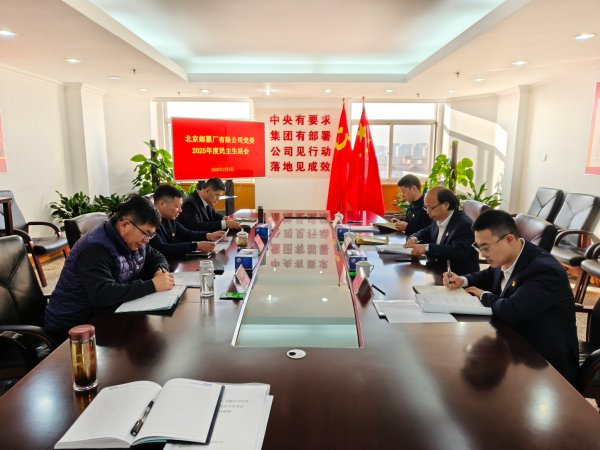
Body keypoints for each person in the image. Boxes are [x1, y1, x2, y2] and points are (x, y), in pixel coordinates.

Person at [443, 209, 579, 386]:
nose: (482, 254)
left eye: (486, 248)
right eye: (479, 247)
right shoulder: (509, 255)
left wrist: (484, 295)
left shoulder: (544, 270)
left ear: (508, 239)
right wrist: (463, 280)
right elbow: (490, 275)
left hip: (544, 363)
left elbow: (511, 310)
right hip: (513, 343)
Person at [44, 196, 174, 340]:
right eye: (146, 233)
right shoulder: (94, 249)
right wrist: (152, 285)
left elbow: (156, 256)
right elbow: (103, 294)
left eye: (151, 234)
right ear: (125, 225)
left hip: (107, 315)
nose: (147, 240)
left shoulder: (132, 240)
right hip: (75, 330)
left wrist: (159, 271)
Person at [404, 186, 479, 275]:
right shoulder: (439, 217)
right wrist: (415, 237)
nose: (428, 212)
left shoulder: (464, 224)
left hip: (457, 276)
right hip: (437, 270)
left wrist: (427, 248)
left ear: (446, 205)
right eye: (426, 207)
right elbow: (428, 231)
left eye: (431, 208)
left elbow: (457, 251)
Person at [150, 184, 226, 256]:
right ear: (162, 204)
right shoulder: (150, 221)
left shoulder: (170, 218)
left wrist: (209, 235)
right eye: (177, 207)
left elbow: (186, 233)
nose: (180, 210)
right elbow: (162, 248)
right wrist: (196, 246)